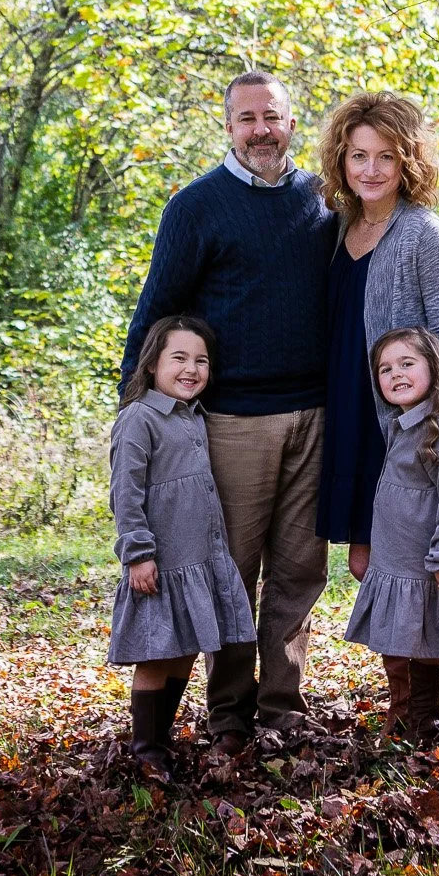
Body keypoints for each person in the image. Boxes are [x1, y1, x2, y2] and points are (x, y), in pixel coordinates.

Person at [121, 73, 340, 751]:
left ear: (293, 122)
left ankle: (282, 708)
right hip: (232, 420)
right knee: (230, 572)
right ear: (228, 126)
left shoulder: (323, 200)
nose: (260, 130)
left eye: (272, 116)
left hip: (316, 413)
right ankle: (229, 714)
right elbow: (157, 307)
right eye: (246, 118)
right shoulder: (195, 206)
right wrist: (137, 407)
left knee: (300, 571)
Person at [313, 90, 439, 742]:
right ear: (342, 159)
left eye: (386, 155)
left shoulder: (422, 231)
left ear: (408, 160)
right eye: (359, 155)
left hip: (406, 429)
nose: (372, 168)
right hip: (349, 418)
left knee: (421, 567)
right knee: (368, 565)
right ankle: (409, 708)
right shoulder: (335, 228)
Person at [341, 327, 439, 762]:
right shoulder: (399, 427)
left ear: (434, 367)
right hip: (407, 570)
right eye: (385, 369)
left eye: (407, 364)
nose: (395, 374)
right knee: (418, 647)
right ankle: (423, 724)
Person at [108, 315, 257, 784]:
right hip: (163, 562)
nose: (191, 368)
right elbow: (125, 492)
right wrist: (138, 552)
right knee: (156, 654)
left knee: (182, 651)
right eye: (179, 358)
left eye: (201, 361)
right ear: (152, 363)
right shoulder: (139, 419)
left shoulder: (195, 417)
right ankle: (146, 749)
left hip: (199, 559)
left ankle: (162, 740)